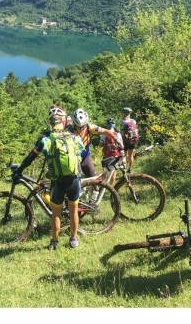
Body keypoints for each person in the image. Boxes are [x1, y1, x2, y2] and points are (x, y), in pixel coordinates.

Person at [13, 105, 85, 250]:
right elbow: (80, 155)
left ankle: (54, 242)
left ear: (51, 122)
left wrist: (19, 169)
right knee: (73, 210)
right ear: (64, 121)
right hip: (74, 180)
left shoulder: (46, 138)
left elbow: (31, 157)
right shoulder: (74, 137)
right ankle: (73, 239)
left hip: (58, 182)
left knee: (56, 213)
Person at [69, 108, 119, 180]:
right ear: (74, 123)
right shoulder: (69, 130)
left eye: (83, 127)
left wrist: (116, 139)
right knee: (76, 179)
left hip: (85, 156)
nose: (80, 129)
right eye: (78, 126)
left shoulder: (90, 127)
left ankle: (95, 190)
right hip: (74, 157)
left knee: (93, 177)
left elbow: (106, 131)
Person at [99, 118, 125, 185]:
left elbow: (101, 144)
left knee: (108, 173)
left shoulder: (105, 133)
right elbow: (121, 145)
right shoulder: (116, 134)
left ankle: (108, 188)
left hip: (110, 156)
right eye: (111, 123)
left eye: (111, 123)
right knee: (110, 173)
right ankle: (108, 187)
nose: (111, 124)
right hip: (112, 155)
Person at [121, 107, 140, 173]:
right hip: (134, 140)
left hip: (126, 141)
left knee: (124, 155)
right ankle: (130, 169)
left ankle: (125, 169)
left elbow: (123, 133)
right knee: (131, 155)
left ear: (124, 113)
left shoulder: (123, 122)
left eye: (122, 113)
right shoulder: (133, 120)